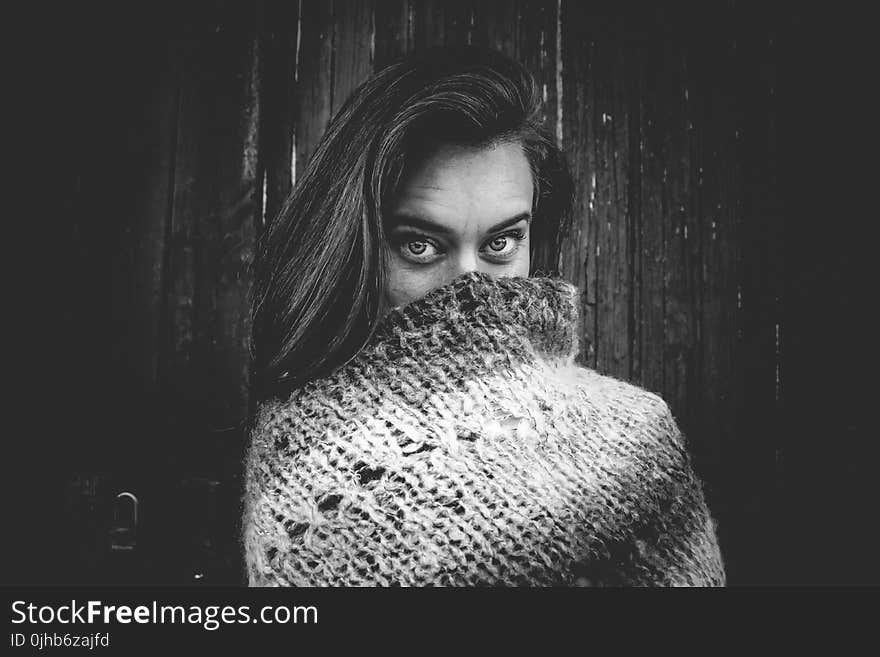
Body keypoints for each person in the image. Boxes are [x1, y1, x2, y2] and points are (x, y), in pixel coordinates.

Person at [241, 46, 725, 586]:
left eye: (501, 242)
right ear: (355, 244)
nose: (468, 287)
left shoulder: (634, 434)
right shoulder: (306, 445)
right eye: (420, 245)